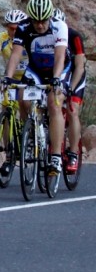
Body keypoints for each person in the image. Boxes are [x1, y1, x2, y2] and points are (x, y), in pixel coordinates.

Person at [2, 0, 69, 179]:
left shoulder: (59, 26)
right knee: (22, 97)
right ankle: (29, 134)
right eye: (36, 21)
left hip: (58, 67)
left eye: (43, 21)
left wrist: (56, 79)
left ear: (50, 17)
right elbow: (16, 54)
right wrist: (8, 77)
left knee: (54, 103)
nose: (39, 25)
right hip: (36, 68)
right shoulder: (23, 27)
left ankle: (55, 155)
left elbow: (60, 56)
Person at [55, 9, 87, 174]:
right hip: (58, 75)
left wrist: (71, 89)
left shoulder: (74, 36)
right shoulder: (47, 35)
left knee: (72, 110)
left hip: (75, 75)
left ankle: (73, 153)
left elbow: (80, 67)